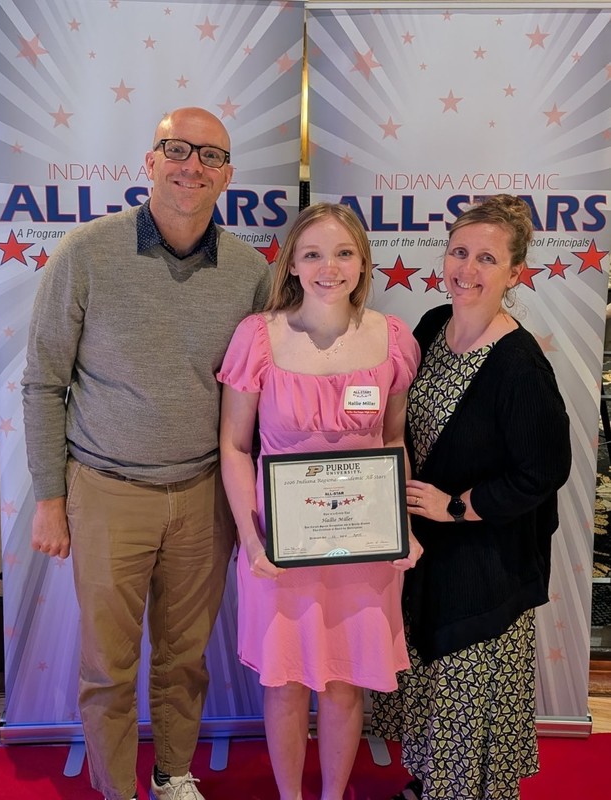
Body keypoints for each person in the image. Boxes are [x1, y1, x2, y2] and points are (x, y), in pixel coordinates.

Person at [21, 107, 271, 800]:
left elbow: (262, 392)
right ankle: (116, 788)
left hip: (203, 495)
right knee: (107, 664)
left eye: (209, 155)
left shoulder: (251, 271)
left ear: (228, 175)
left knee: (185, 659)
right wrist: (49, 498)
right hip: (105, 490)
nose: (192, 164)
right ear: (151, 160)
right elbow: (44, 381)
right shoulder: (86, 253)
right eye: (176, 148)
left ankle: (172, 774)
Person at [218, 202, 423, 800]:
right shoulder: (258, 338)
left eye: (342, 253)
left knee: (343, 684)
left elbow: (391, 440)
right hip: (278, 547)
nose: (327, 267)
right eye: (312, 253)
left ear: (362, 262)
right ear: (292, 265)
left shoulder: (393, 340)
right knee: (283, 684)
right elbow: (234, 447)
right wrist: (250, 539)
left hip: (363, 548)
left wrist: (400, 527)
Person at [370, 194, 572, 800]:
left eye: (487, 258)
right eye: (460, 252)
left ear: (514, 274)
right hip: (428, 556)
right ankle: (432, 784)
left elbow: (545, 471)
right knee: (430, 684)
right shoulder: (432, 326)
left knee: (464, 689)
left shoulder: (519, 366)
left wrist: (457, 506)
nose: (468, 268)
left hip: (486, 562)